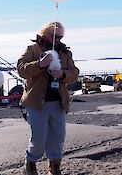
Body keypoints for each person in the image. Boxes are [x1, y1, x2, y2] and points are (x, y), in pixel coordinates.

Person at [17, 21, 79, 175]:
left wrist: (62, 74)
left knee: (57, 137)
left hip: (58, 102)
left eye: (60, 37)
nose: (57, 40)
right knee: (38, 138)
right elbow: (21, 69)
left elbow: (74, 73)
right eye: (54, 36)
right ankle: (30, 164)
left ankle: (55, 167)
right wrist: (40, 64)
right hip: (37, 103)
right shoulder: (33, 49)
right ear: (45, 33)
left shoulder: (64, 52)